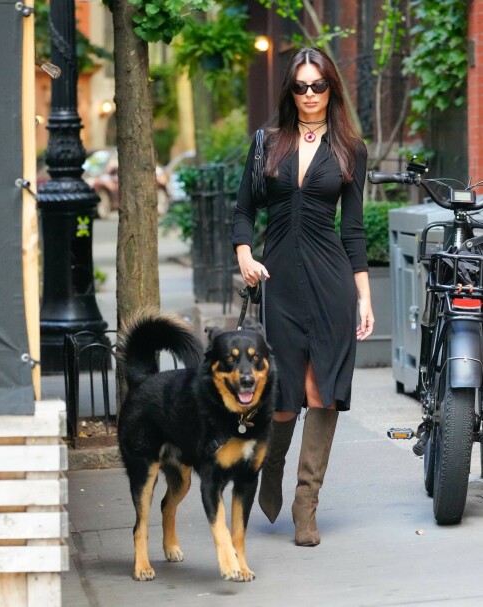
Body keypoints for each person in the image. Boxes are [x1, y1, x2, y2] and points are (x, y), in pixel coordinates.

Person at [231, 47, 374, 547]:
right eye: (301, 86)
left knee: (322, 393)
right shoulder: (266, 142)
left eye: (319, 86)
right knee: (282, 401)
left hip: (332, 281)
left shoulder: (350, 148)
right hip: (280, 283)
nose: (310, 95)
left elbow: (353, 232)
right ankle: (270, 472)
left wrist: (365, 296)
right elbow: (243, 212)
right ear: (289, 91)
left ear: (331, 89)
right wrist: (246, 256)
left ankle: (305, 503)